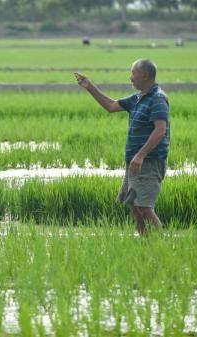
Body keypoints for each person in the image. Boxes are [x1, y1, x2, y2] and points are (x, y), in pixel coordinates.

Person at [74, 59, 170, 235]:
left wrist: (140, 156)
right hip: (135, 163)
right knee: (134, 205)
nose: (130, 77)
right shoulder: (137, 98)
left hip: (148, 162)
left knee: (144, 207)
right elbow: (111, 106)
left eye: (133, 73)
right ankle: (144, 242)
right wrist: (90, 87)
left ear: (145, 75)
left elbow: (160, 131)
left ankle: (161, 244)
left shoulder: (157, 98)